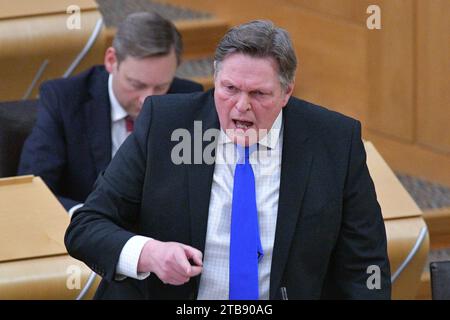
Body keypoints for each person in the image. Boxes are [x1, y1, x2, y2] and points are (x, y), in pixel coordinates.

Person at [65, 20, 391, 299]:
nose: (240, 107)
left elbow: (365, 265)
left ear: (287, 92)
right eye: (230, 88)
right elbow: (86, 226)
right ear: (215, 78)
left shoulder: (334, 141)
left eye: (259, 94)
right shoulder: (166, 125)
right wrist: (149, 254)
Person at [18, 12, 203, 214]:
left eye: (160, 87)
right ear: (111, 60)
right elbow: (34, 189)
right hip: (84, 233)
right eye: (136, 84)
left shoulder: (189, 98)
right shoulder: (65, 99)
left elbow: (199, 186)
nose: (148, 100)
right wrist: (86, 219)